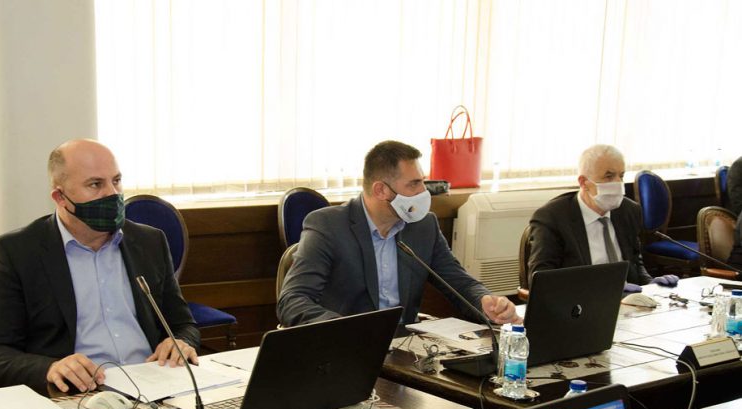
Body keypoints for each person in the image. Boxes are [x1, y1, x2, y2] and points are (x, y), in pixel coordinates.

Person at [0, 139, 201, 394]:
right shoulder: (16, 252)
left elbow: (184, 324)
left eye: (116, 181)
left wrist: (180, 342)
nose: (112, 194)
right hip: (81, 394)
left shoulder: (149, 241)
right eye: (95, 184)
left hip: (156, 384)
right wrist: (50, 368)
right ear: (60, 197)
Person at [277, 140, 519, 327]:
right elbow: (293, 300)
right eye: (414, 184)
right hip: (348, 348)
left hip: (405, 348)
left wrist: (485, 300)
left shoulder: (423, 225)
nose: (424, 191)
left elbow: (458, 281)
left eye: (422, 181)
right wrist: (345, 328)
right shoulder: (328, 226)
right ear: (381, 190)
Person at [528, 144, 677, 291]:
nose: (618, 183)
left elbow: (635, 264)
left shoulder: (629, 211)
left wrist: (651, 285)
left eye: (621, 175)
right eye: (609, 176)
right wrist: (604, 289)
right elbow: (541, 280)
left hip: (629, 301)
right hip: (583, 302)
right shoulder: (552, 217)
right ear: (584, 182)